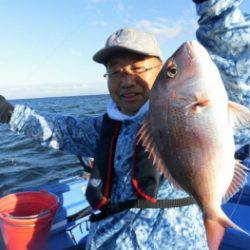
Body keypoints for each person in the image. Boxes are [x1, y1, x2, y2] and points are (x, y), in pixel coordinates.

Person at [0, 0, 249, 249]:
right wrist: (10, 113)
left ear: (160, 71)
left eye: (138, 68)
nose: (127, 81)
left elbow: (233, 52)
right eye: (115, 72)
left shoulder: (207, 108)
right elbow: (60, 131)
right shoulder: (105, 128)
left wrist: (214, 5)